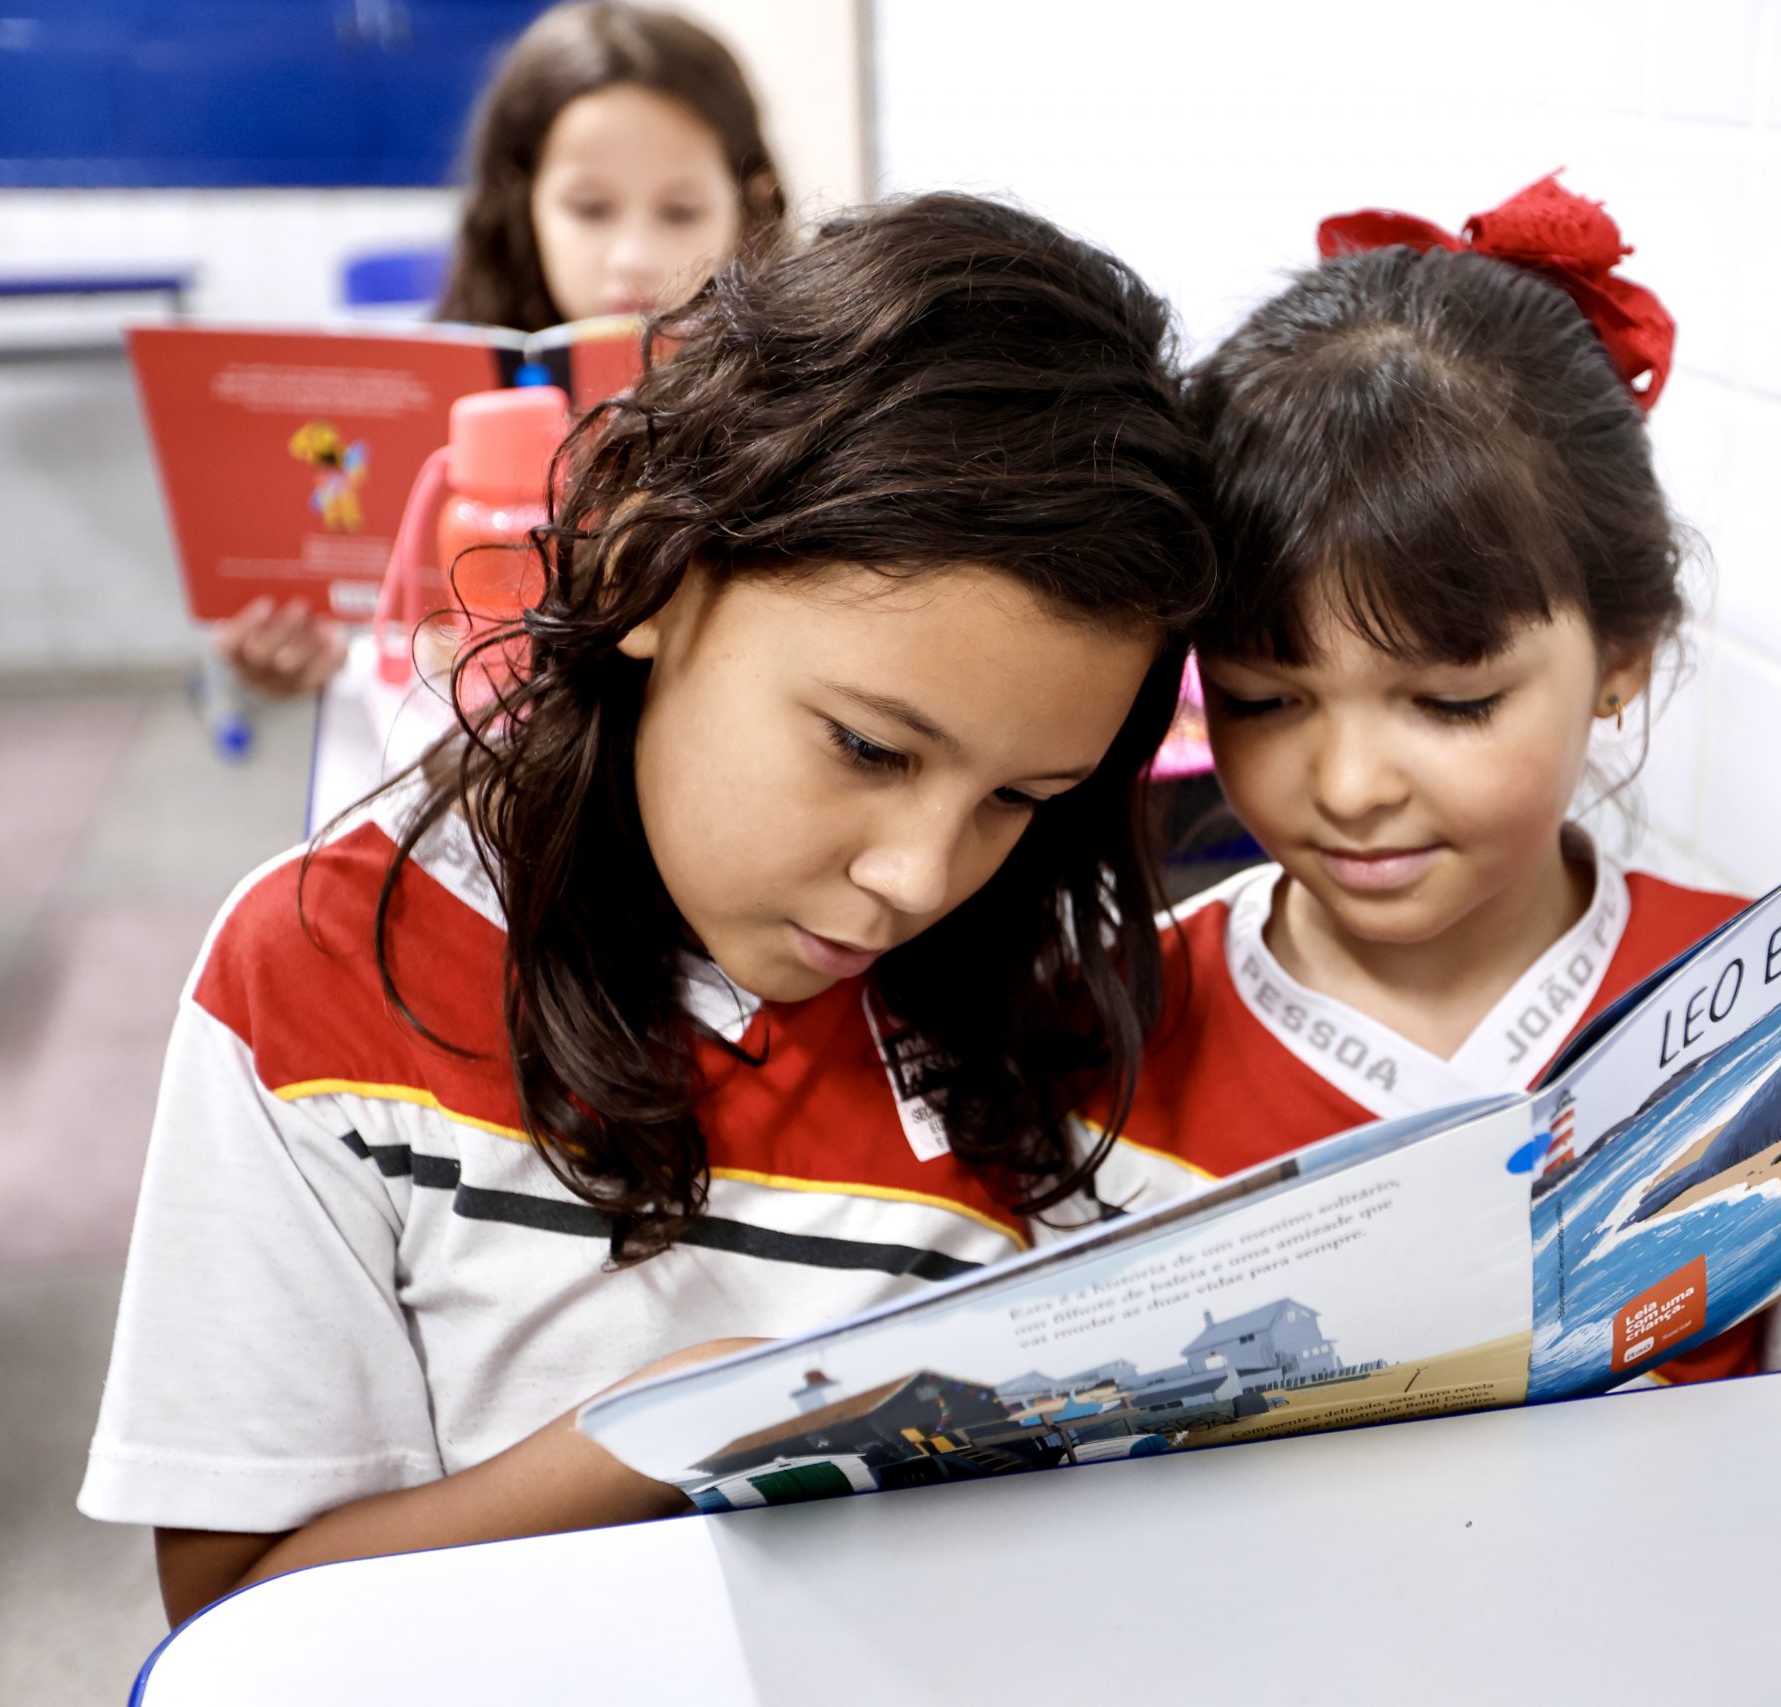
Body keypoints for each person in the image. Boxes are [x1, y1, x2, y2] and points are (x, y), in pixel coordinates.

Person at [81, 194, 1217, 1624]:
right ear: (643, 567)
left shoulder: (1037, 972)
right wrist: (665, 1432)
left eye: (1020, 796)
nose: (919, 877)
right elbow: (240, 1613)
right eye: (868, 747)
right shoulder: (322, 975)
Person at [1080, 175, 1781, 1377]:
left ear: (1619, 661)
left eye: (1450, 703)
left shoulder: (1773, 1002)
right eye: (1262, 701)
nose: (1345, 785)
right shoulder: (1108, 1033)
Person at [218, 0, 784, 697]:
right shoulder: (451, 390)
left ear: (751, 204)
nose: (635, 258)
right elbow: (412, 640)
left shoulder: (788, 395)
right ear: (523, 204)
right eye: (590, 208)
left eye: (680, 211)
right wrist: (328, 653)